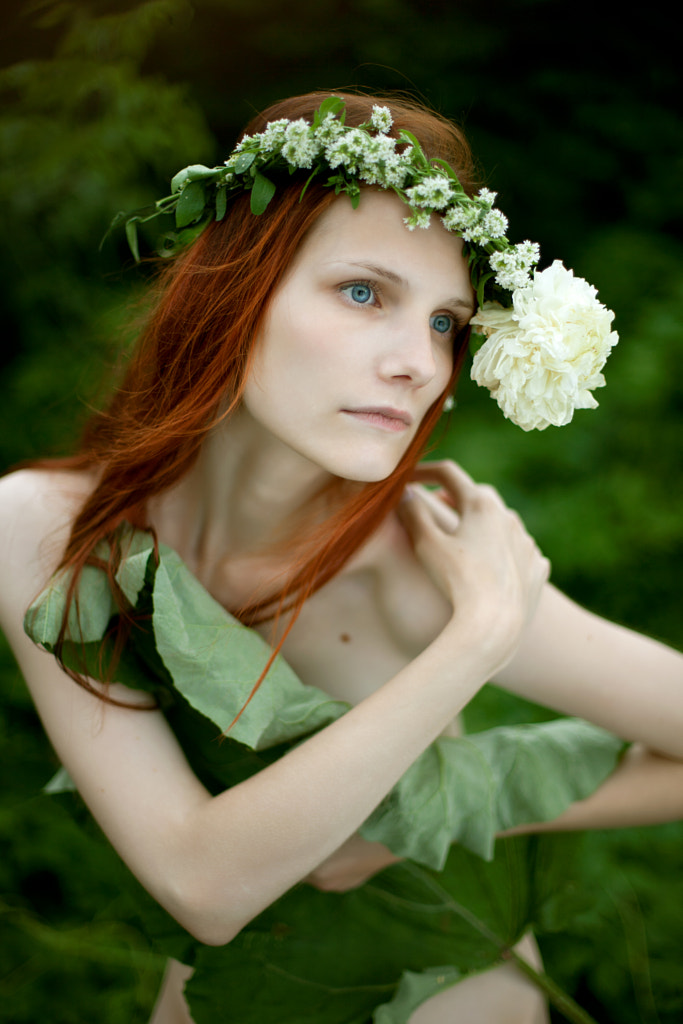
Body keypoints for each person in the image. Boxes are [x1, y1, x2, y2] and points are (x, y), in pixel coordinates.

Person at [1, 90, 682, 1024]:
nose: (418, 361)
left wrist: (436, 802)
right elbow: (201, 882)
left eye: (445, 321)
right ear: (234, 286)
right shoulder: (40, 530)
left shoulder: (424, 565)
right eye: (364, 293)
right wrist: (470, 648)